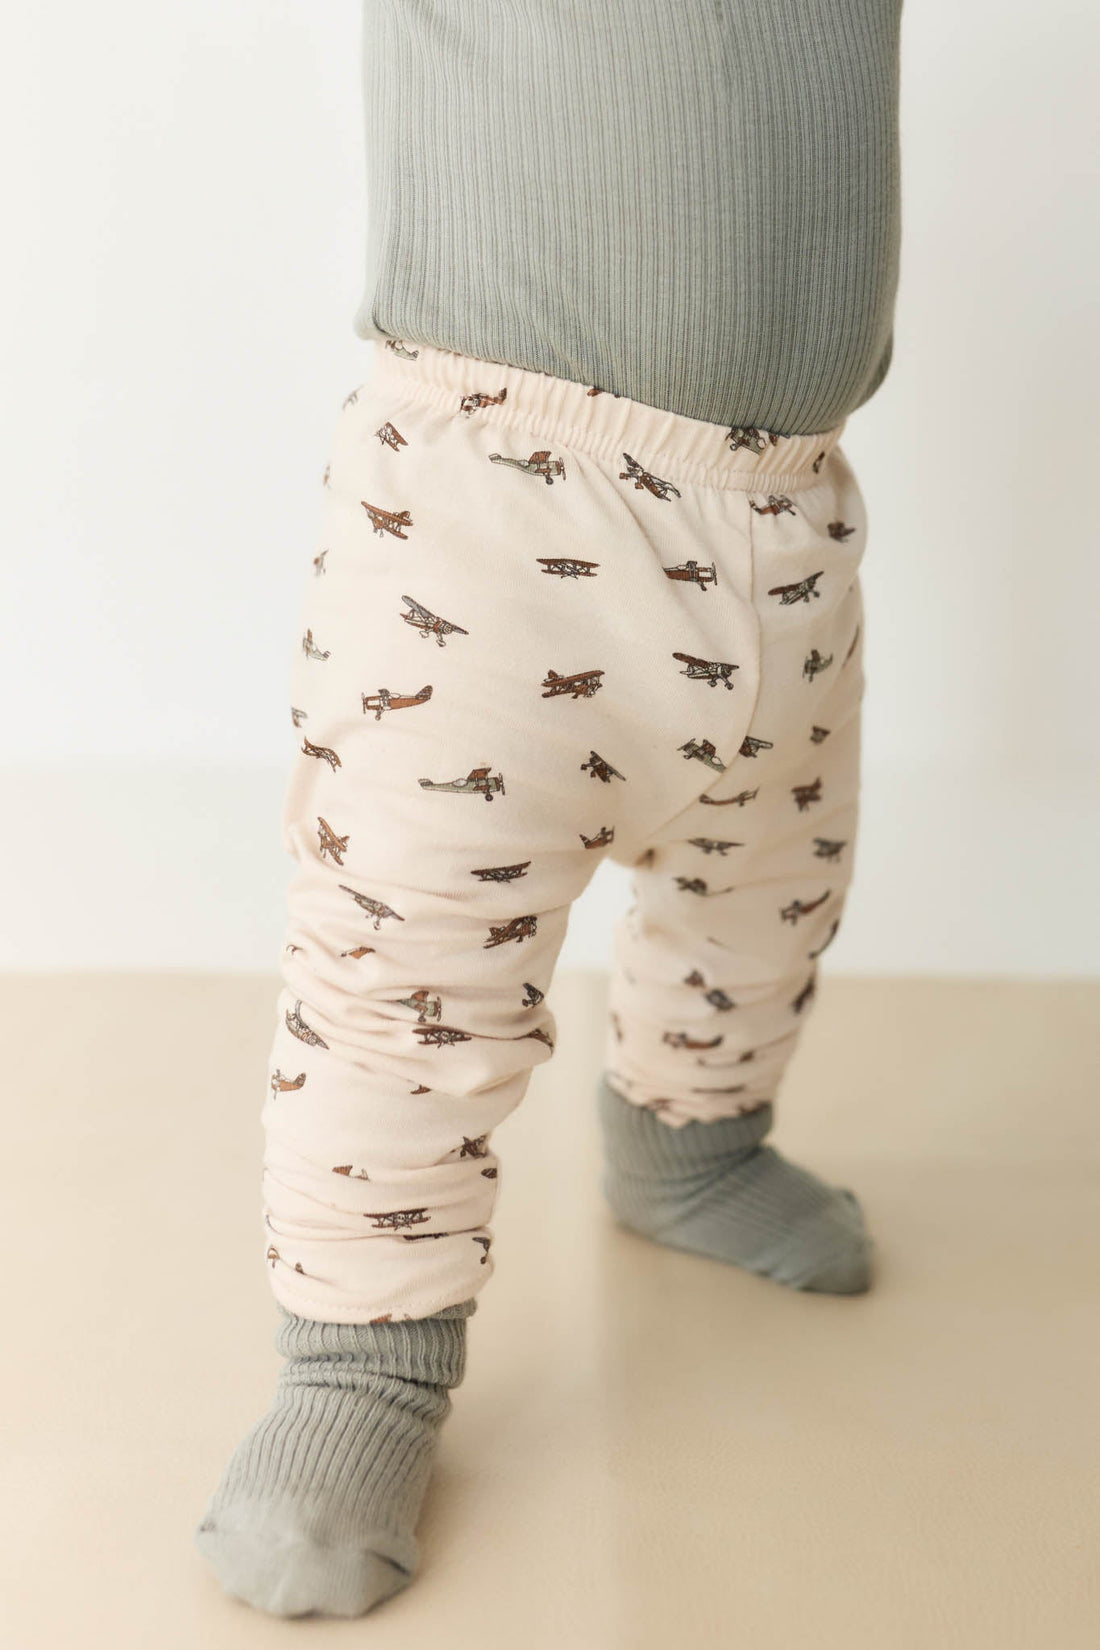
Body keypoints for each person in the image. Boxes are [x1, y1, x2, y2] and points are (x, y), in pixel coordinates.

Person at [194, 0, 903, 1619]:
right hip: (491, 511)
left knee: (770, 890)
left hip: (791, 516)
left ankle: (694, 1145)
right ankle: (360, 1363)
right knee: (408, 972)